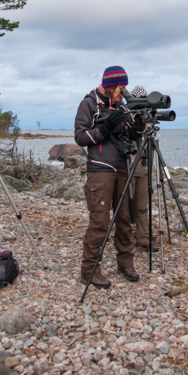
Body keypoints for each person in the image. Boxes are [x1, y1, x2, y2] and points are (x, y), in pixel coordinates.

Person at [74, 66, 142, 288]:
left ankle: (126, 264)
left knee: (124, 220)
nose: (124, 92)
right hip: (100, 170)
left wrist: (139, 123)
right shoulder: (89, 103)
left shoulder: (122, 104)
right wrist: (105, 129)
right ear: (111, 85)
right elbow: (80, 136)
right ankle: (90, 269)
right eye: (121, 87)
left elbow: (132, 134)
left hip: (123, 168)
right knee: (100, 222)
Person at [128, 85, 158, 252]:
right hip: (128, 167)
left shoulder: (149, 118)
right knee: (125, 207)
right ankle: (123, 240)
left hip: (144, 168)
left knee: (143, 207)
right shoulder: (125, 116)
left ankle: (144, 240)